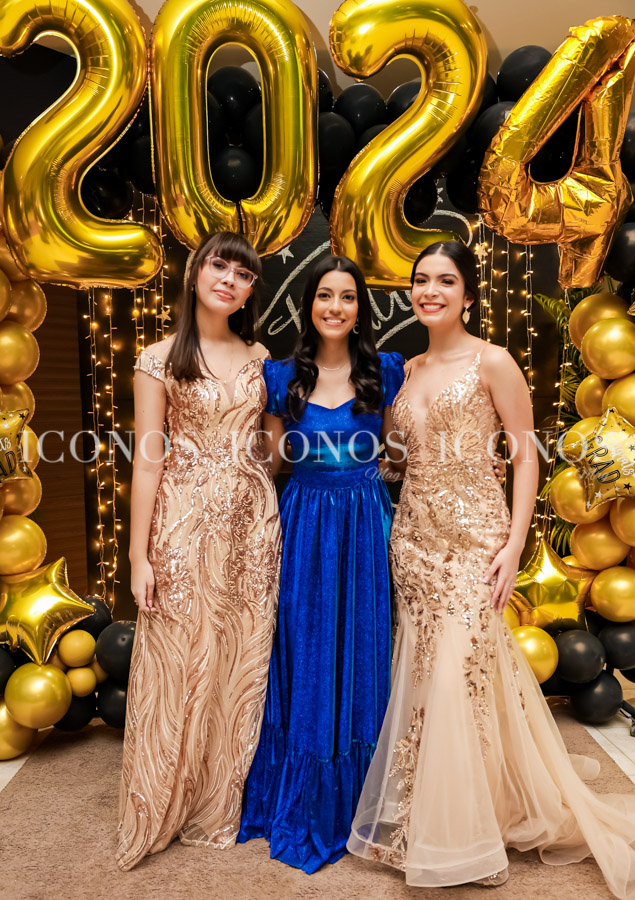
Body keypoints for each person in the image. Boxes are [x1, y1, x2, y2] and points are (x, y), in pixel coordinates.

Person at [347, 240, 635, 897]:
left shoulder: (493, 360)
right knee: (429, 676)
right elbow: (400, 458)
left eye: (445, 281)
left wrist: (512, 542)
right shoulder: (406, 370)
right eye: (421, 280)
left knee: (458, 674)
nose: (430, 291)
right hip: (413, 542)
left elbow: (524, 454)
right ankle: (447, 808)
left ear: (468, 296)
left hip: (476, 539)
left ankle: (461, 836)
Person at [116, 232, 281, 871]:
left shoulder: (261, 357)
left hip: (251, 527)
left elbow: (271, 449)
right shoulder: (158, 359)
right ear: (195, 272)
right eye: (220, 265)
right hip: (182, 525)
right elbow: (147, 462)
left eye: (243, 273)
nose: (229, 279)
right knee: (176, 659)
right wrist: (139, 556)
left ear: (249, 291)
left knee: (237, 661)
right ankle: (160, 802)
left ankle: (216, 801)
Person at [237, 254, 404, 872]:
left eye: (348, 297)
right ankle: (306, 794)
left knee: (363, 646)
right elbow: (273, 463)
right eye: (325, 296)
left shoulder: (386, 371)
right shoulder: (280, 376)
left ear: (360, 307)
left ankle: (362, 797)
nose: (336, 307)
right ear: (308, 305)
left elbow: (396, 455)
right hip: (305, 522)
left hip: (363, 524)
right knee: (305, 645)